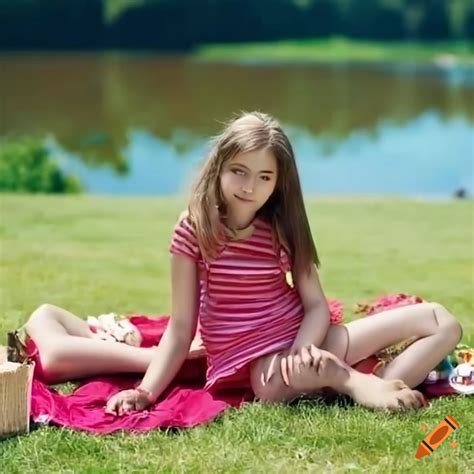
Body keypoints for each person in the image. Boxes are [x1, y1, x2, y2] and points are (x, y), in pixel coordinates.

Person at [24, 111, 463, 416]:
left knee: (443, 322)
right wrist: (145, 391)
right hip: (254, 362)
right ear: (218, 168)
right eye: (240, 171)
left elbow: (314, 304)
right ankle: (351, 382)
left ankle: (376, 379)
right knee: (269, 388)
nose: (250, 187)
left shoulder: (282, 228)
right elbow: (180, 330)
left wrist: (303, 349)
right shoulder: (192, 230)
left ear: (278, 183)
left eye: (265, 177)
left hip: (305, 343)